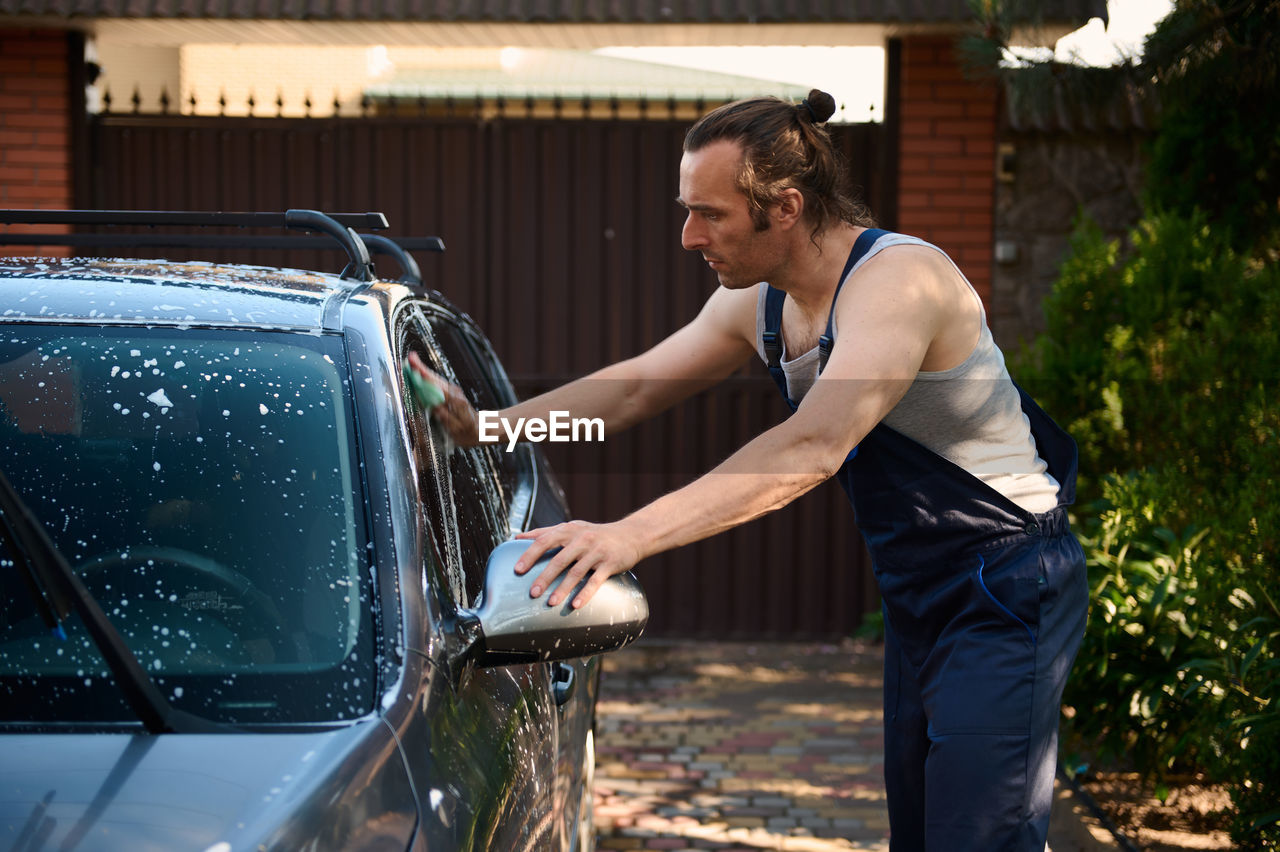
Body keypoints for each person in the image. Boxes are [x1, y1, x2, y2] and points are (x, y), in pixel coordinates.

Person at [409, 88, 1089, 852]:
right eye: (686, 208)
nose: (688, 234)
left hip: (1006, 580)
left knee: (979, 836)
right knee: (926, 832)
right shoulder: (760, 304)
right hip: (916, 590)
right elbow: (634, 389)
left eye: (711, 214)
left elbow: (814, 446)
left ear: (787, 207)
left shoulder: (900, 284)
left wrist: (627, 537)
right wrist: (490, 428)